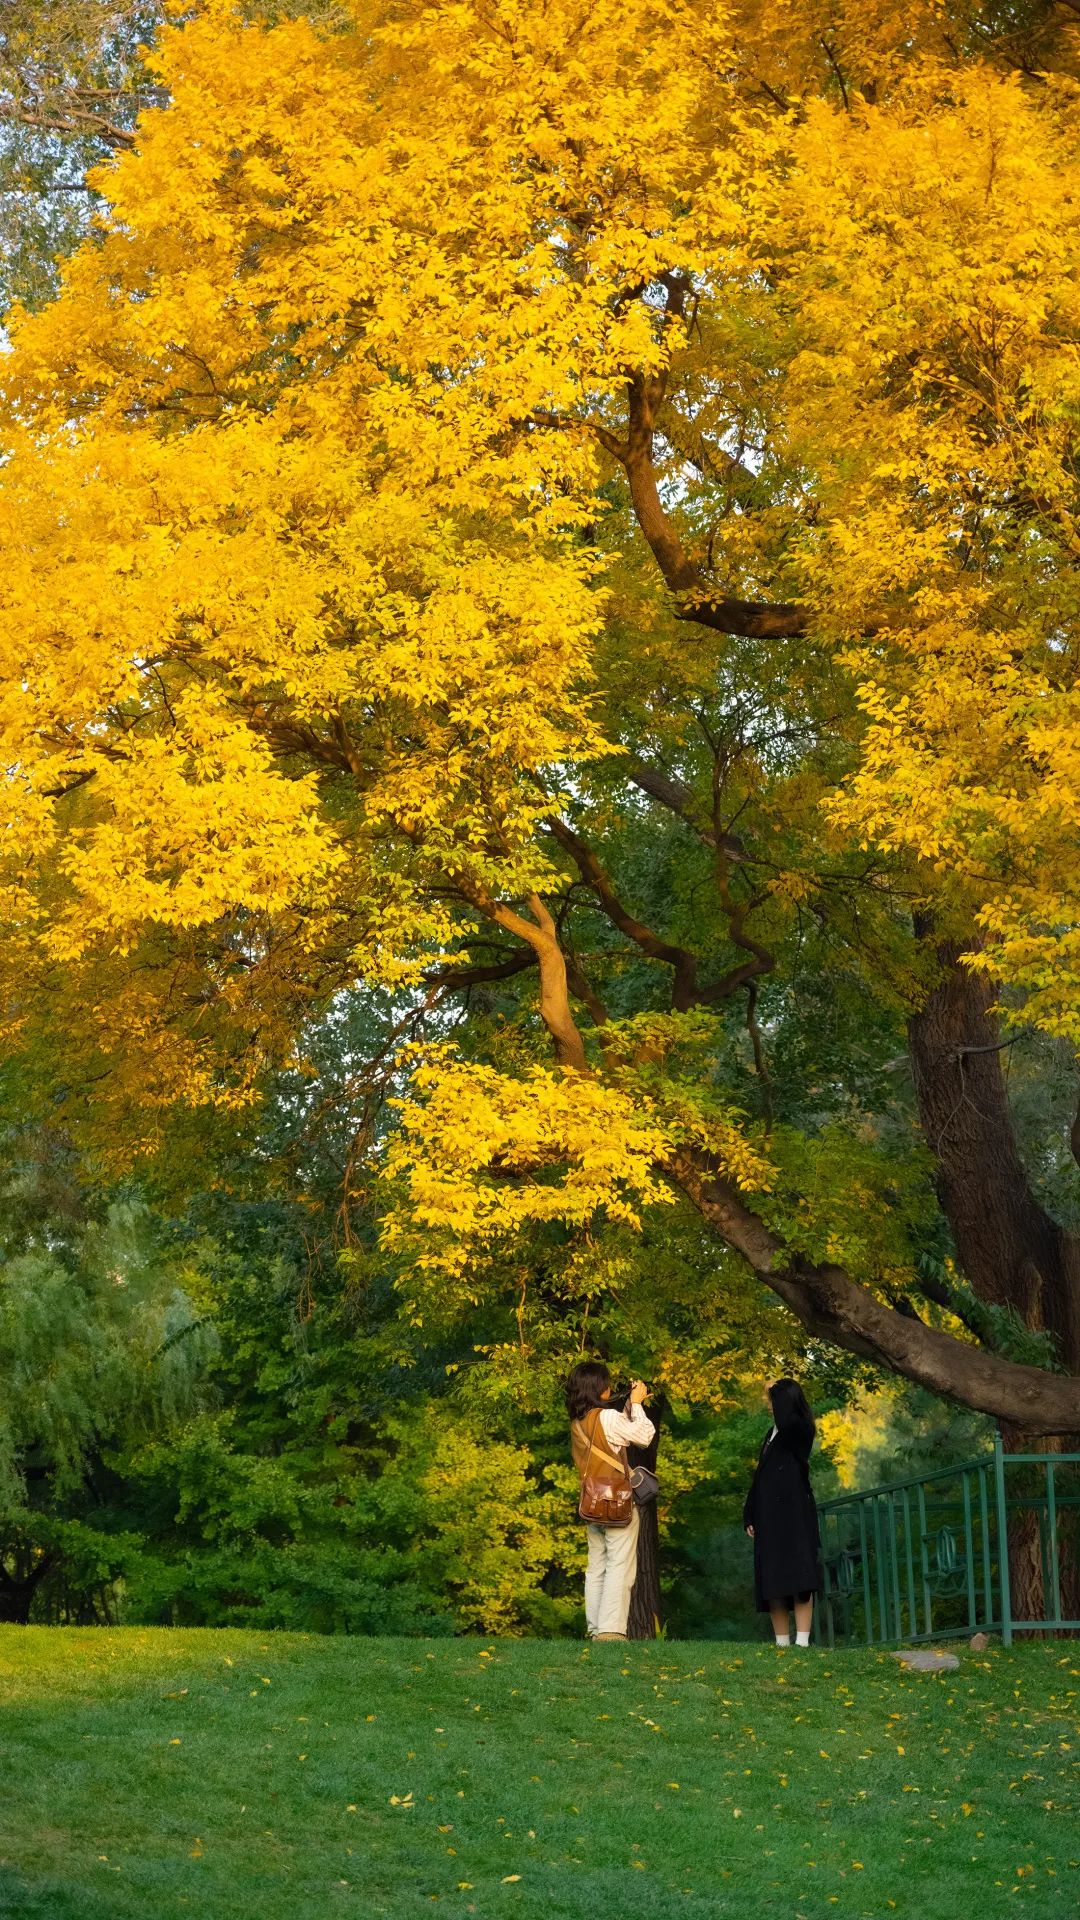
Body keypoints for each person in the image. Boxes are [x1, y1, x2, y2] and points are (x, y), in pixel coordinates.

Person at [566, 1360, 655, 1642]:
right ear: (598, 1388)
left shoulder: (579, 1421)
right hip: (617, 1502)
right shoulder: (605, 1418)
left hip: (592, 1501)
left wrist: (627, 1405)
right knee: (620, 1565)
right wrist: (637, 1403)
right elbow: (644, 1436)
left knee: (596, 1567)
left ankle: (595, 1628)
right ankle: (611, 1631)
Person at [743, 1377, 821, 1647]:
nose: (769, 1407)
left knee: (800, 1577)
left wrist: (781, 1395)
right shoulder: (770, 1434)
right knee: (773, 1578)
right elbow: (760, 1476)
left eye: (772, 1402)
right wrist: (750, 1513)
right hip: (769, 1516)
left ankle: (802, 1641)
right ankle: (781, 1642)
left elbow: (790, 1425)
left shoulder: (799, 1428)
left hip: (794, 1515)